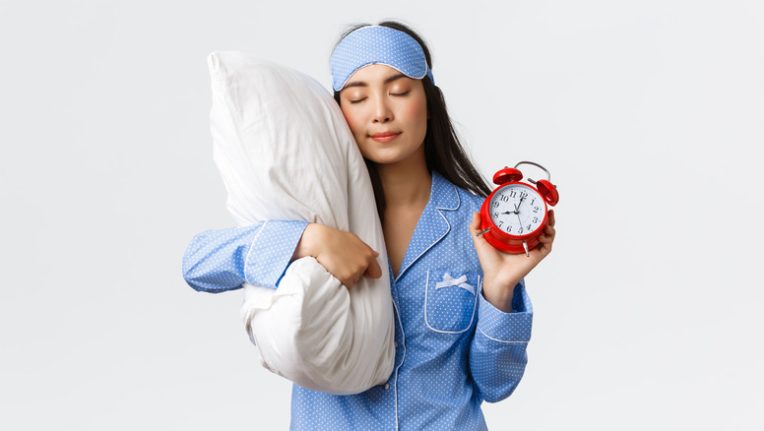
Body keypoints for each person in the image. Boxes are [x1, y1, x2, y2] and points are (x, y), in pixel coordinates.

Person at [182, 20, 557, 430]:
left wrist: (500, 291)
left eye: (398, 91)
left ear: (429, 101)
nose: (380, 112)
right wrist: (308, 239)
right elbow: (197, 264)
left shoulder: (478, 223)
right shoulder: (319, 212)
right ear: (337, 112)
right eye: (358, 98)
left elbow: (496, 383)